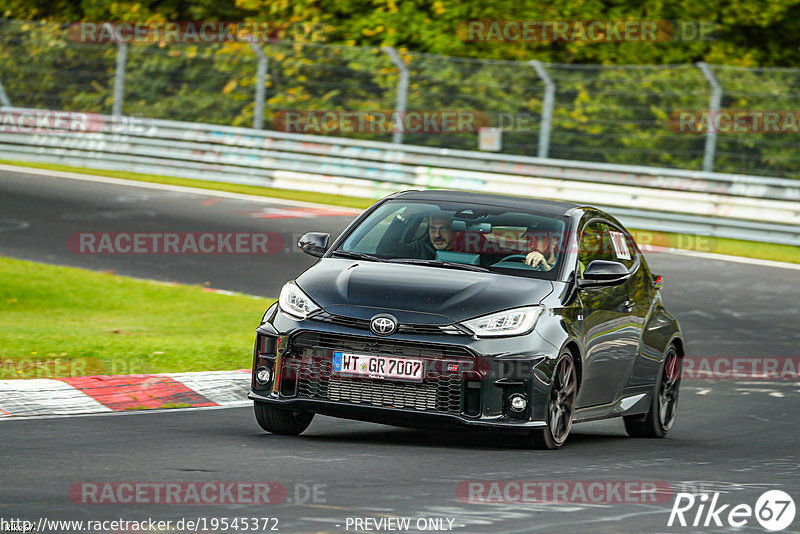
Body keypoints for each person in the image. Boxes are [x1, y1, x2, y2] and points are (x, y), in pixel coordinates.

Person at [376, 207, 454, 259]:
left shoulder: (465, 252)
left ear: (455, 229)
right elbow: (384, 251)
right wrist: (403, 216)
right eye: (433, 229)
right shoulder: (420, 249)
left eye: (443, 229)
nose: (437, 235)